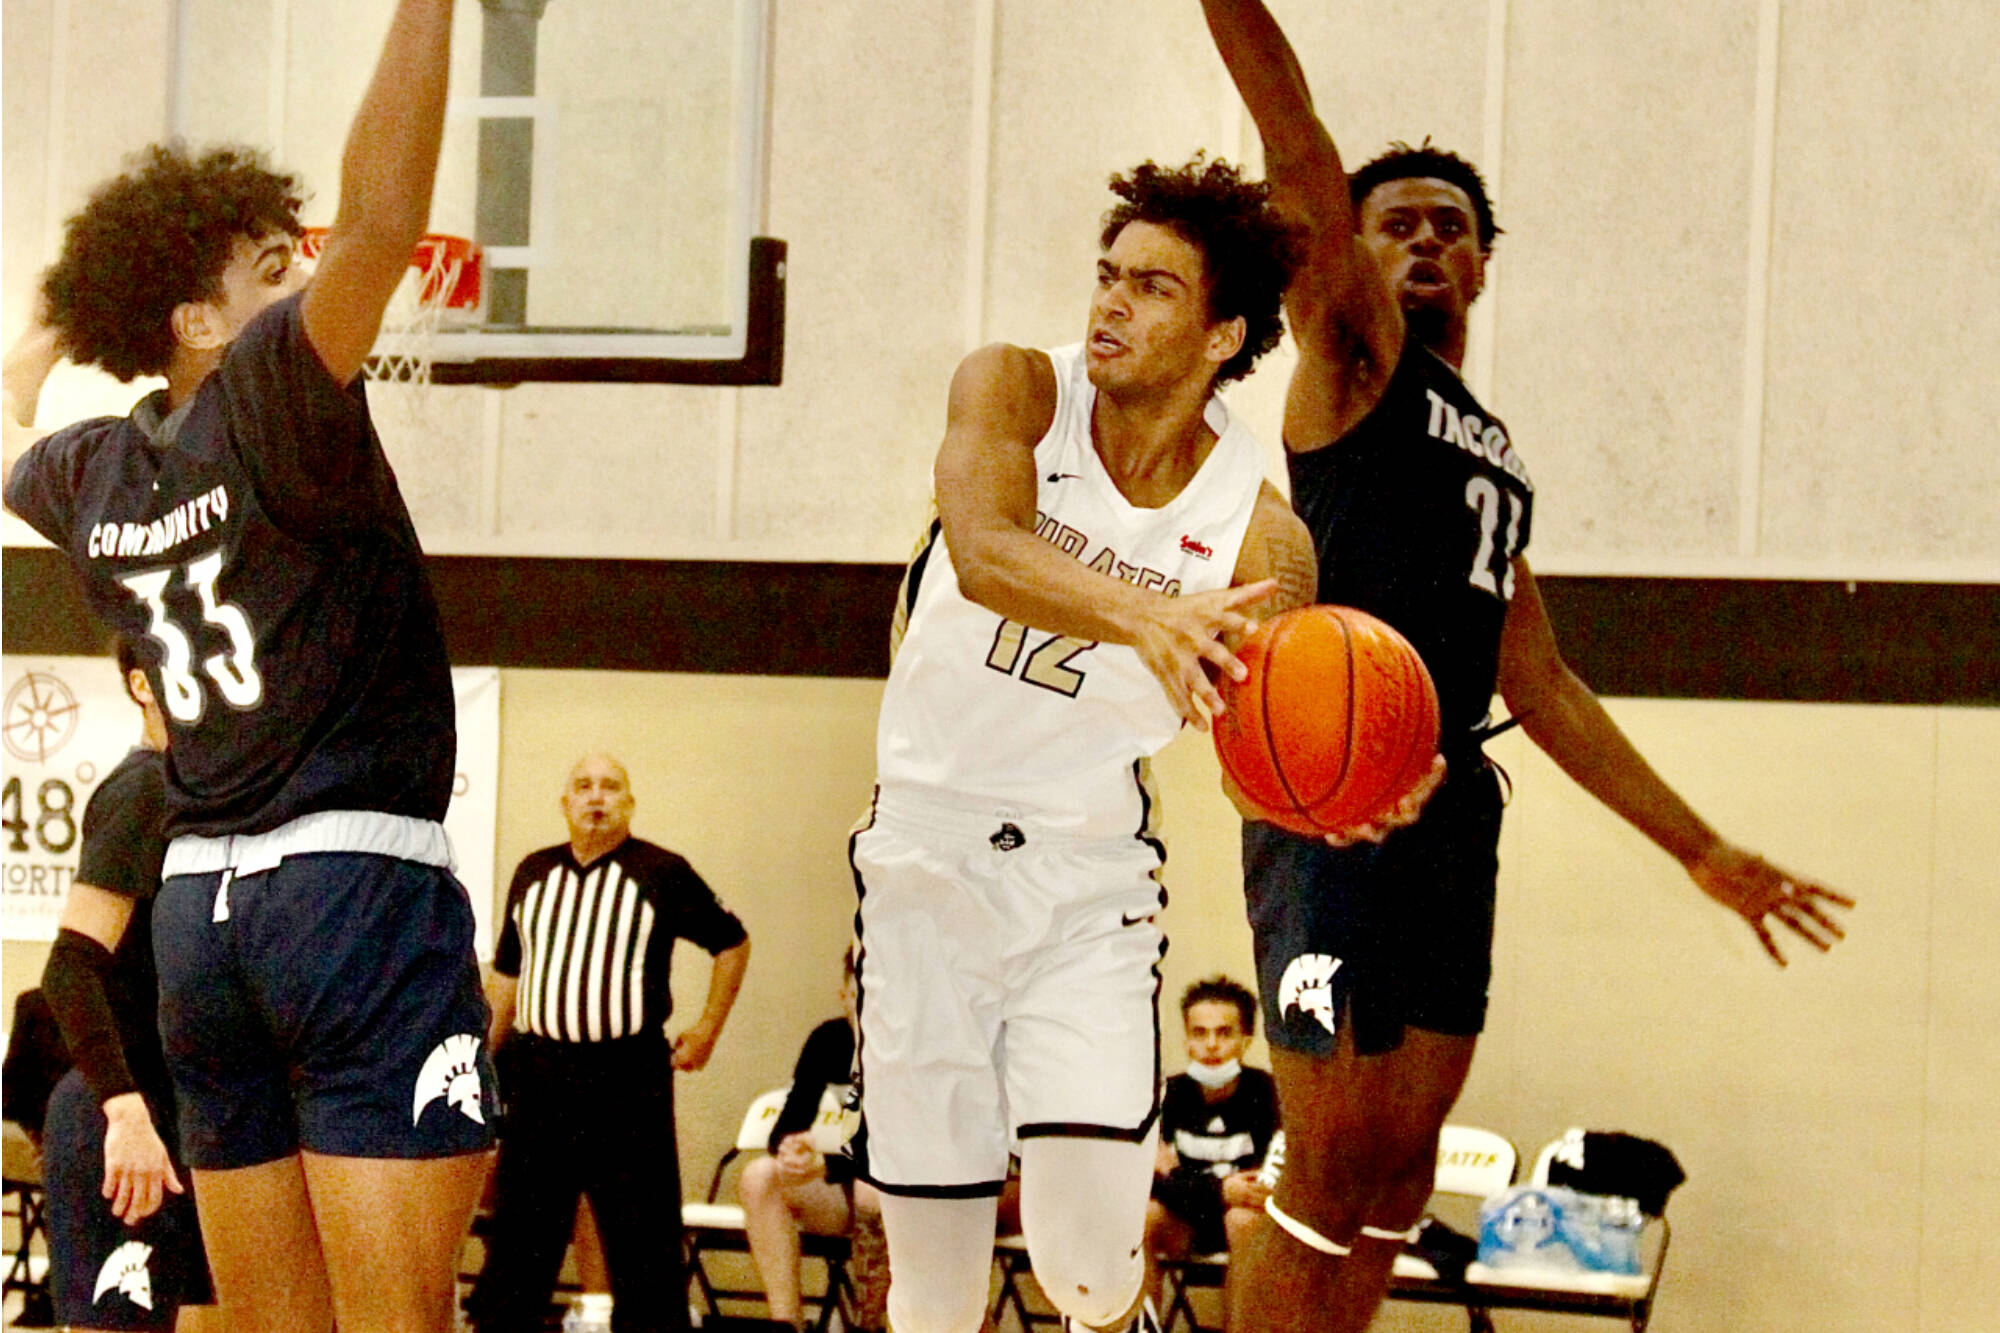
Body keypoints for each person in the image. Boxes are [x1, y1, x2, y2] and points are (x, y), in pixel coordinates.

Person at [1193, 5, 1857, 1332]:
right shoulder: (1352, 358)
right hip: (1334, 806)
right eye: (1398, 222)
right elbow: (1296, 139)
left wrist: (1702, 851)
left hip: (1454, 814)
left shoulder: (1490, 450)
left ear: (1484, 263)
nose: (1425, 236)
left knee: (1398, 1174)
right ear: (1354, 257)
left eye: (1451, 223)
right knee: (1322, 1171)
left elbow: (1541, 682)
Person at [3, 5, 497, 1331]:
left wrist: (66, 310)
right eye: (274, 268)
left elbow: (14, 402)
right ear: (200, 321)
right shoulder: (273, 385)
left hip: (201, 926)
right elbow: (387, 218)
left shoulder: (93, 469)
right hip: (347, 892)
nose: (306, 284)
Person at [850, 155, 1321, 1333]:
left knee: (1084, 1265)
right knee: (935, 1294)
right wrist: (1148, 612)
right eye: (1107, 275)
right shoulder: (1012, 388)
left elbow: (1260, 740)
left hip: (1084, 878)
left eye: (1152, 287)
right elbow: (984, 548)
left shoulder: (1258, 533)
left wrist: (1330, 792)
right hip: (920, 854)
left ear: (1222, 335)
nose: (1108, 302)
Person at [469, 754, 751, 1333]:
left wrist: (707, 1030)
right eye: (583, 786)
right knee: (521, 1239)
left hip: (627, 1079)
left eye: (610, 787)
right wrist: (481, 1066)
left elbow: (732, 943)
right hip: (539, 1075)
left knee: (643, 1243)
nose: (596, 797)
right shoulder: (532, 873)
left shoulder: (662, 872)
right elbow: (506, 978)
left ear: (629, 802)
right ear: (565, 802)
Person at [35, 642, 218, 1333]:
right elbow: (68, 969)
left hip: (204, 1113)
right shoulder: (144, 788)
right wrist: (124, 1110)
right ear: (142, 684)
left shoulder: (218, 794)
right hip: (127, 1116)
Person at [740, 949, 887, 1333]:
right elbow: (788, 1123)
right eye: (858, 995)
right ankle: (787, 1324)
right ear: (844, 996)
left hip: (910, 1189)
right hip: (854, 1182)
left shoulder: (909, 1051)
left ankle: (876, 1322)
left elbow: (900, 1151)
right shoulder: (830, 1039)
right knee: (760, 1177)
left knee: (872, 1189)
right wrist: (794, 1148)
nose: (867, 1008)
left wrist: (828, 1165)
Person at [1145, 977, 1276, 1310]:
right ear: (1187, 1040)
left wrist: (1178, 1178)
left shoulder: (1269, 1095)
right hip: (1186, 1222)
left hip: (1247, 1227)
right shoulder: (1166, 1096)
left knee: (1242, 1219)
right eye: (1200, 1033)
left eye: (1224, 1033)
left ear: (1245, 1040)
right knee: (1144, 1216)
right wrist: (1220, 1190)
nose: (1211, 1045)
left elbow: (1261, 1187)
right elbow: (1150, 1180)